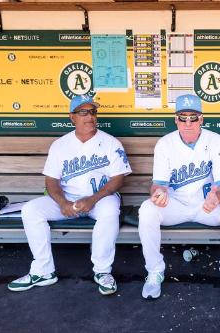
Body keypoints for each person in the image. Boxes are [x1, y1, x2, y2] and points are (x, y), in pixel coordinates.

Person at [8, 94, 131, 295]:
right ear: (71, 117)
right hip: (67, 200)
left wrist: (93, 199)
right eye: (83, 112)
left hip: (100, 198)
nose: (89, 116)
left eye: (92, 112)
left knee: (110, 210)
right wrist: (63, 202)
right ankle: (43, 271)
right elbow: (51, 181)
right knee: (31, 210)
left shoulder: (111, 143)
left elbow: (118, 179)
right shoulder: (60, 145)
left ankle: (102, 272)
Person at [138, 94, 220, 302]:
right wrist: (158, 193)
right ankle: (154, 270)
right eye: (182, 117)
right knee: (147, 210)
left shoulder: (215, 140)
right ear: (176, 120)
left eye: (193, 117)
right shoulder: (164, 144)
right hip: (175, 205)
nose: (188, 122)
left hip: (206, 205)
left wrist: (218, 197)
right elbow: (158, 183)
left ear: (201, 119)